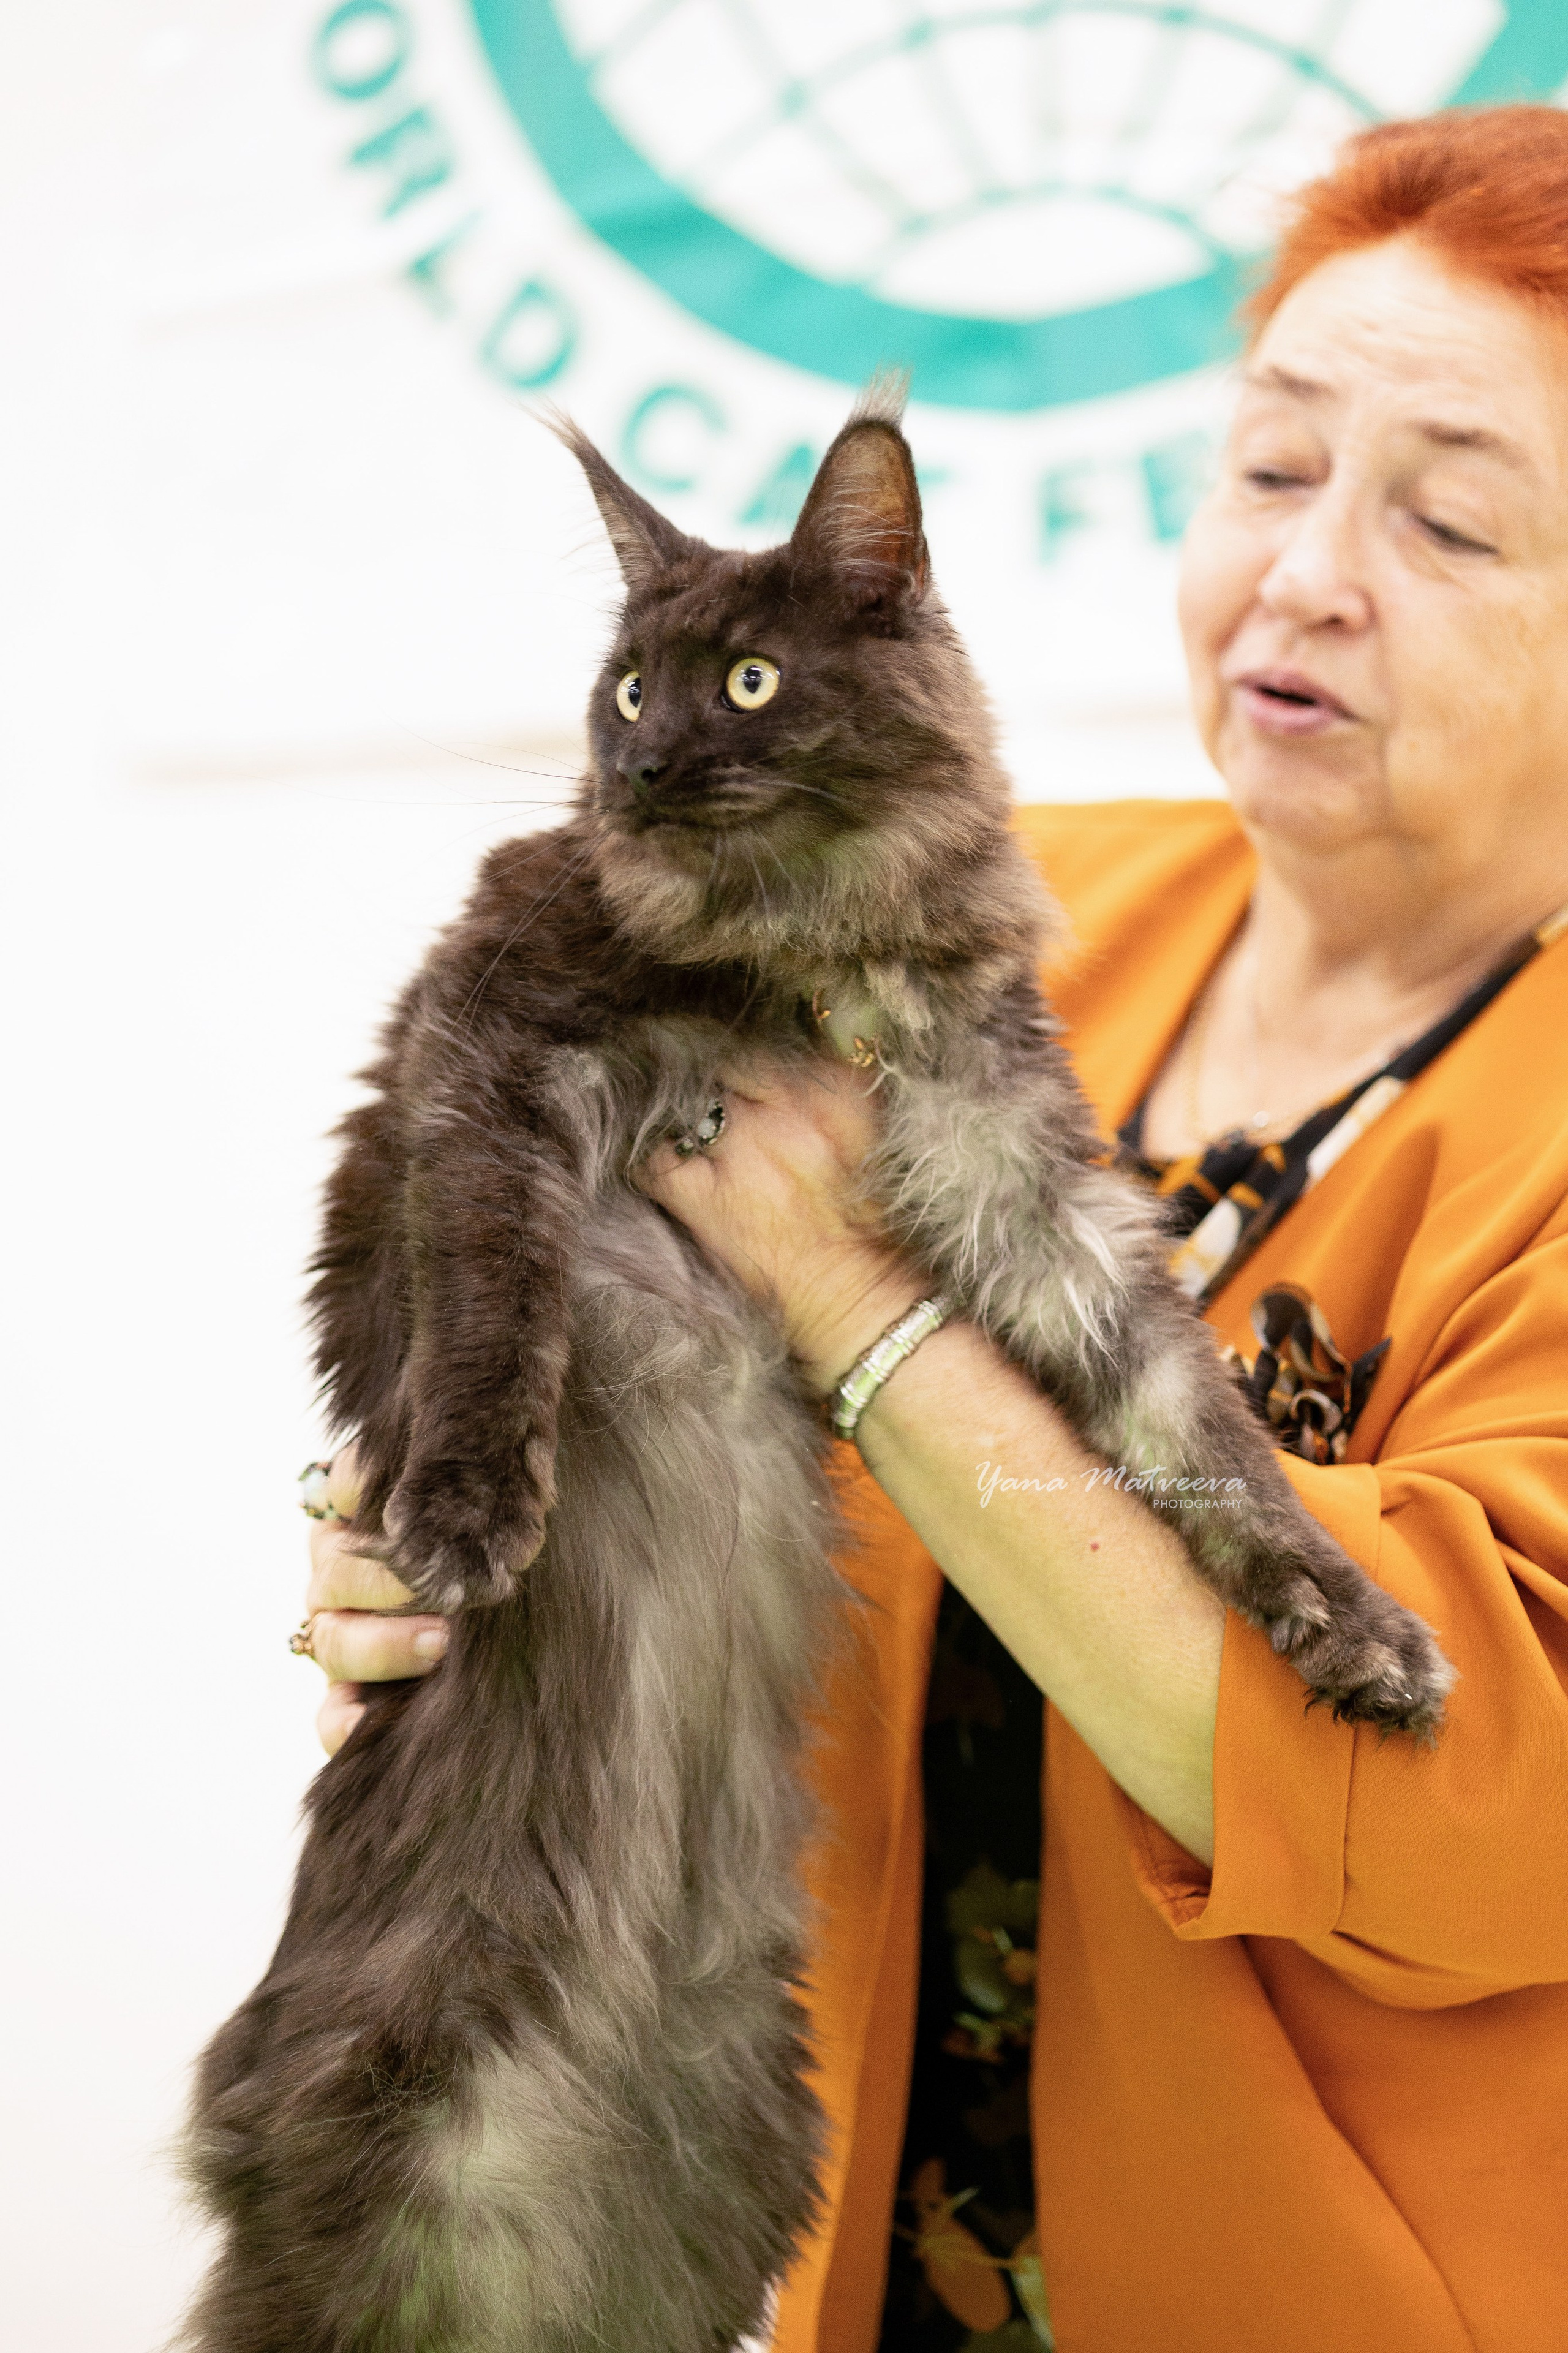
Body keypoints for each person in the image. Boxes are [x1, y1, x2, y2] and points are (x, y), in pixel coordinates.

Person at [296, 109, 1568, 2353]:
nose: (1309, 579)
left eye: (1451, 518)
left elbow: (1477, 1800)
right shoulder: (967, 892)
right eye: (1273, 473)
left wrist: (847, 1293)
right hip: (857, 2249)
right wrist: (442, 1523)